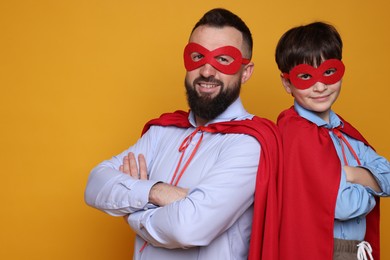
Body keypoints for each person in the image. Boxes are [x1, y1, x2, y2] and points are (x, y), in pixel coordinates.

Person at [85, 8, 282, 260]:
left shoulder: (249, 143)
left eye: (223, 60)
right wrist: (156, 191)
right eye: (197, 56)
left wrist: (131, 209)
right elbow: (95, 184)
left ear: (246, 72)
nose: (207, 71)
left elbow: (187, 228)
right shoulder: (162, 131)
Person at [274, 21, 390, 260]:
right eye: (306, 76)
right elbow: (343, 205)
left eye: (328, 72)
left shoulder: (345, 133)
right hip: (324, 250)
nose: (320, 86)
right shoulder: (295, 134)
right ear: (287, 83)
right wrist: (372, 186)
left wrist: (350, 174)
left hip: (359, 250)